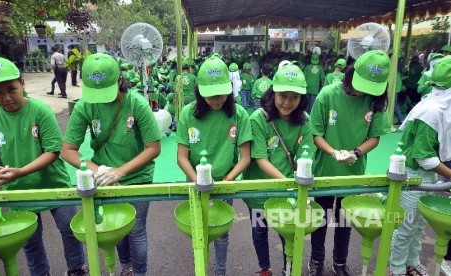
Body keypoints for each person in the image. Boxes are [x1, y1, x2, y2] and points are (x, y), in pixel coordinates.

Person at [61, 53, 161, 276]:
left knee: (136, 230)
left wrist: (121, 171)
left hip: (138, 177)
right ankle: (126, 267)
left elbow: (153, 148)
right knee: (116, 227)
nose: (102, 99)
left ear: (119, 80)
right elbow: (67, 150)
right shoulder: (85, 106)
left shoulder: (136, 103)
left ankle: (140, 273)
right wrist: (101, 171)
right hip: (104, 178)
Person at [0, 57, 88, 276]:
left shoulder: (40, 110)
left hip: (53, 184)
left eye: (11, 89)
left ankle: (77, 269)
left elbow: (52, 151)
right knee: (30, 240)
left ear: (22, 83)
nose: (6, 98)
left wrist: (21, 171)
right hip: (18, 190)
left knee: (69, 230)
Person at [309, 50, 390, 276]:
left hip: (354, 171)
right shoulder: (327, 95)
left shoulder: (375, 101)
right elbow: (315, 133)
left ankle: (340, 261)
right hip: (326, 169)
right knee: (321, 218)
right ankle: (316, 260)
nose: (364, 91)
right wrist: (334, 153)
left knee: (344, 220)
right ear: (351, 73)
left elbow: (374, 137)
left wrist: (355, 152)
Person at [176, 53, 253, 276]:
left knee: (221, 231)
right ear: (199, 90)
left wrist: (228, 179)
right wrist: (197, 181)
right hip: (195, 182)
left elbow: (245, 157)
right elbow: (181, 157)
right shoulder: (188, 114)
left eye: (221, 94)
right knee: (197, 229)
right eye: (211, 95)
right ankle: (200, 268)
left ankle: (220, 271)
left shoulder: (238, 114)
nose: (217, 99)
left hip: (224, 183)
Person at [243, 62, 314, 276]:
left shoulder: (304, 121)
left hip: (288, 193)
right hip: (260, 189)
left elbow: (306, 154)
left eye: (294, 97)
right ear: (273, 92)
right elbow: (260, 159)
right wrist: (289, 184)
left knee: (287, 233)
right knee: (259, 229)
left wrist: (297, 185)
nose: (288, 102)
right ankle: (265, 268)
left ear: (302, 98)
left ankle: (288, 268)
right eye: (283, 95)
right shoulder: (259, 118)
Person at [389, 56, 451, 276]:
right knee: (406, 228)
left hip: (426, 176)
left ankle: (412, 262)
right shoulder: (433, 112)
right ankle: (396, 269)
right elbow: (424, 158)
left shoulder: (436, 105)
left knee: (417, 227)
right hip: (413, 176)